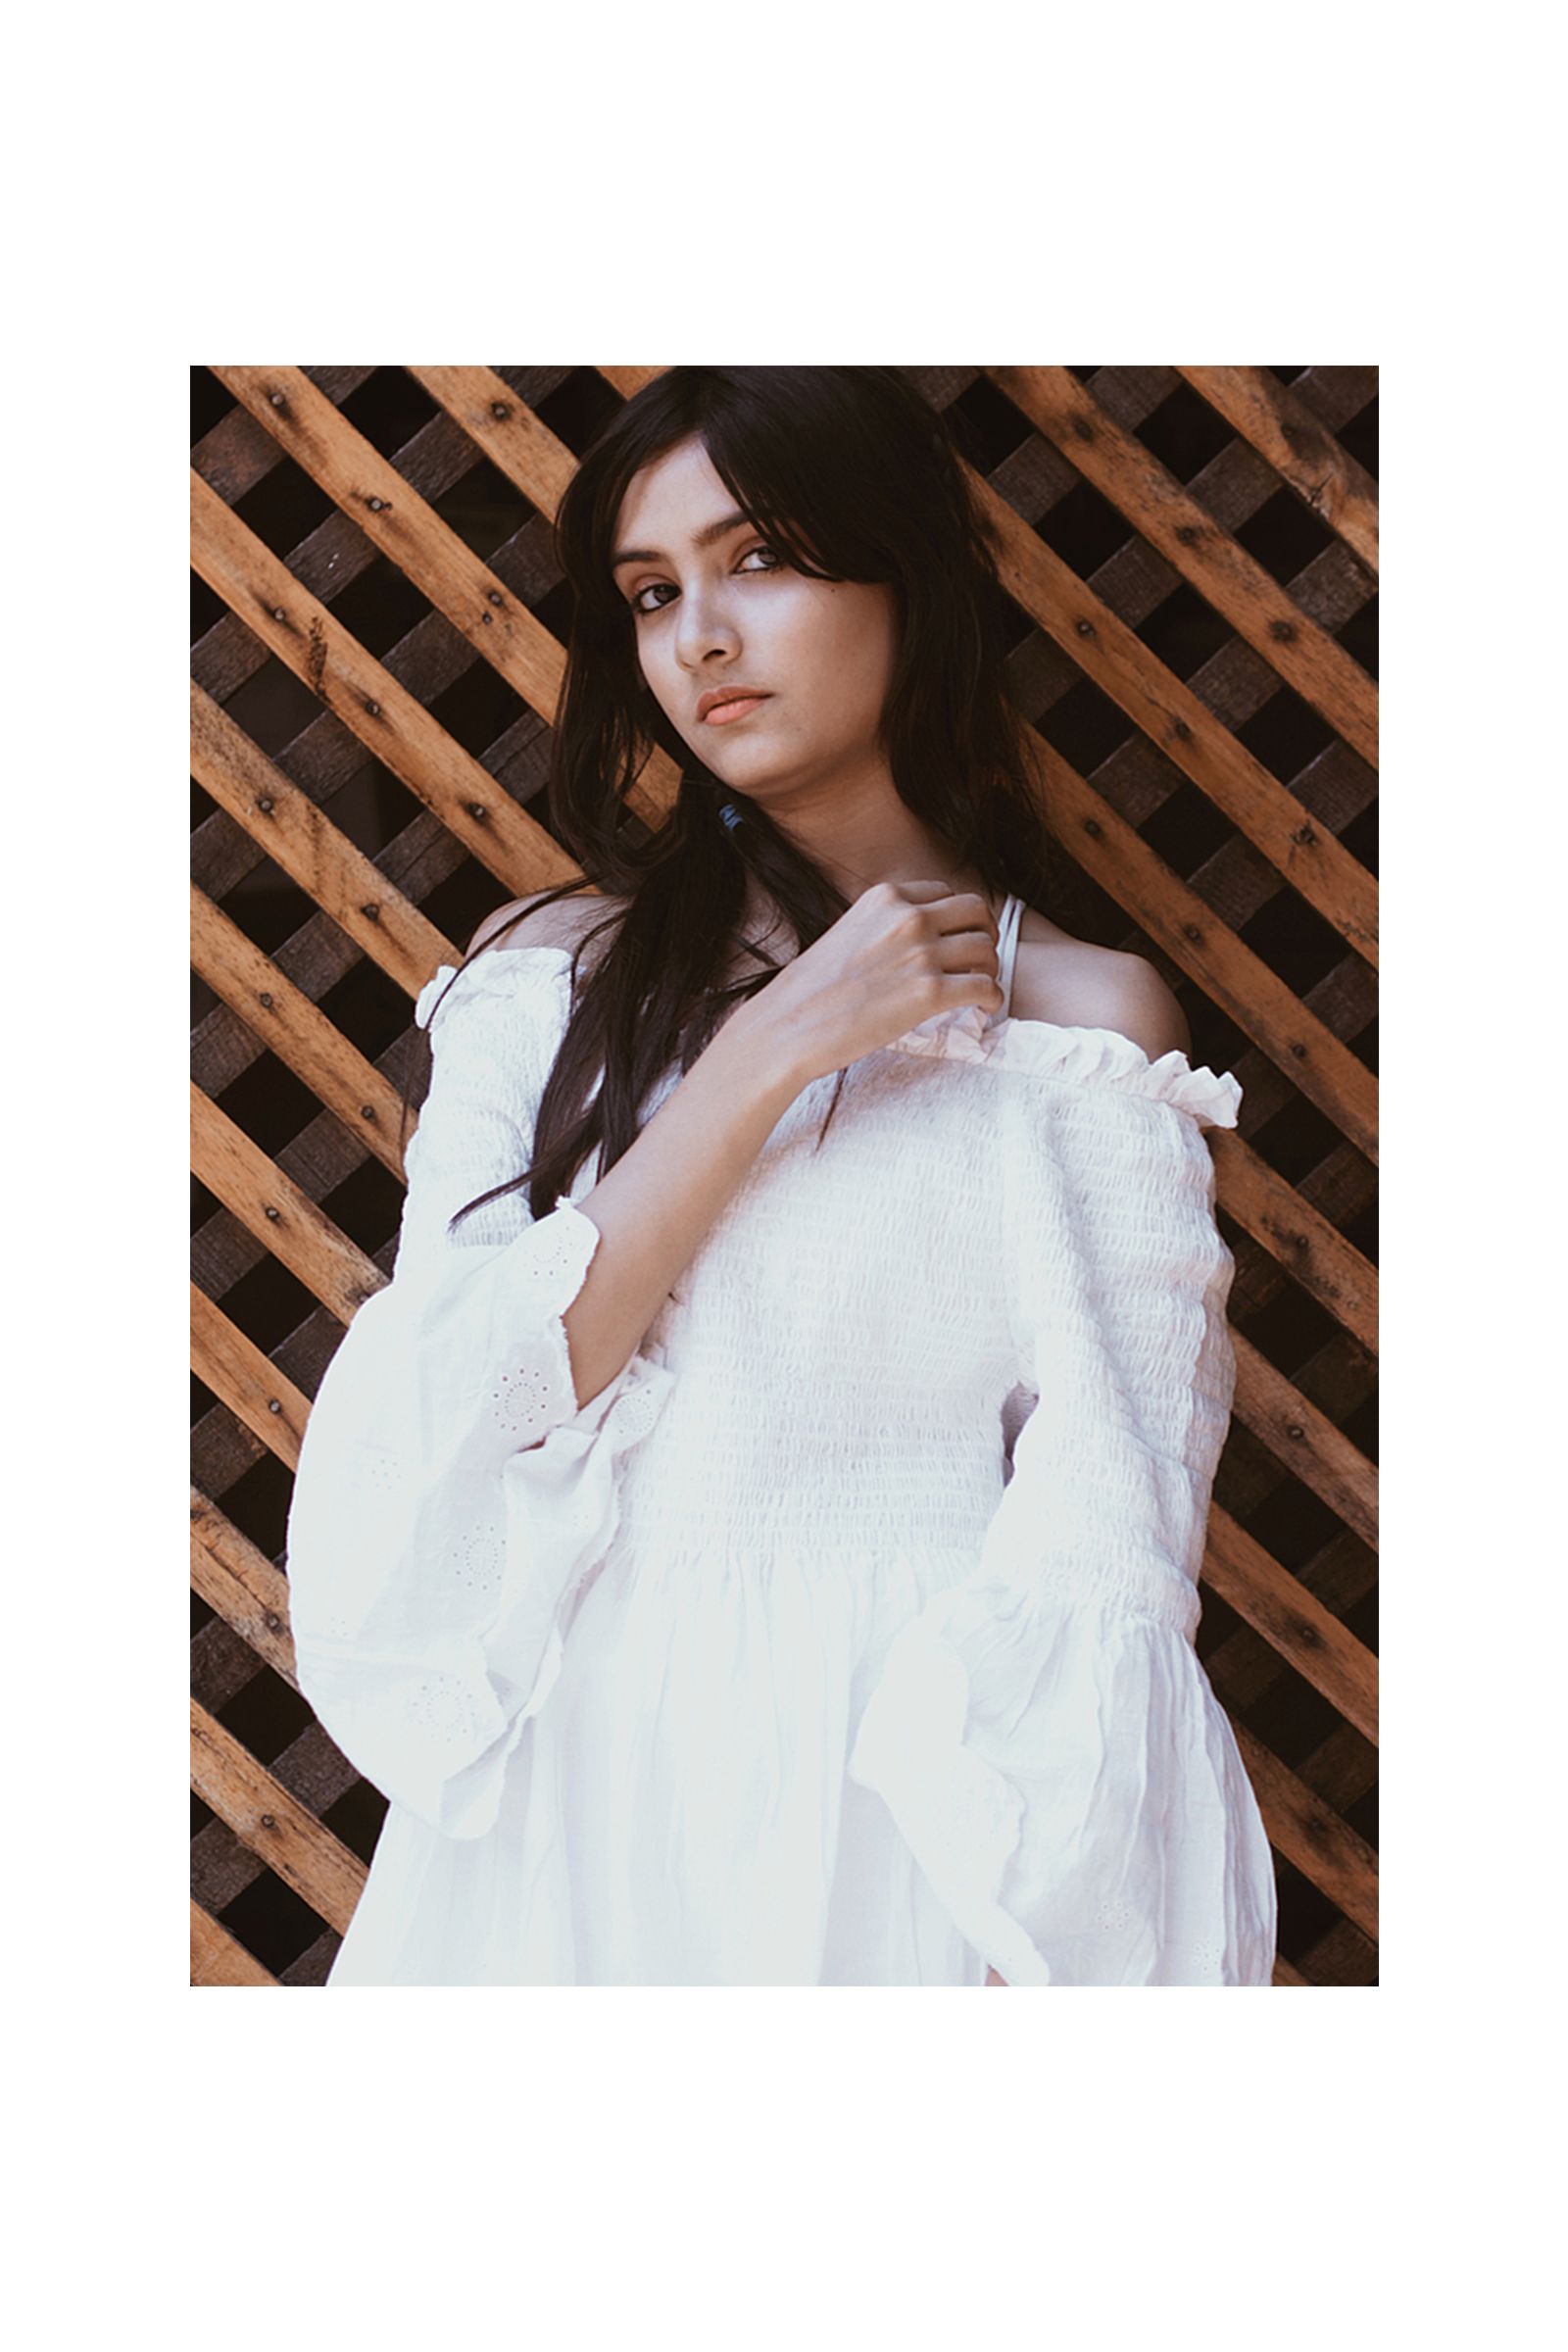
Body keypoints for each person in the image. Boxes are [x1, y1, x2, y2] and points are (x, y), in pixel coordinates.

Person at [284, 367, 1278, 1985]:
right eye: (653, 593)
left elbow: (1114, 1523)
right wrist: (772, 1051)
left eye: (761, 560)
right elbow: (472, 1409)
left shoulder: (1085, 1026)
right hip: (575, 1790)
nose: (702, 638)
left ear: (903, 573)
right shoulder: (544, 979)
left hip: (906, 1798)